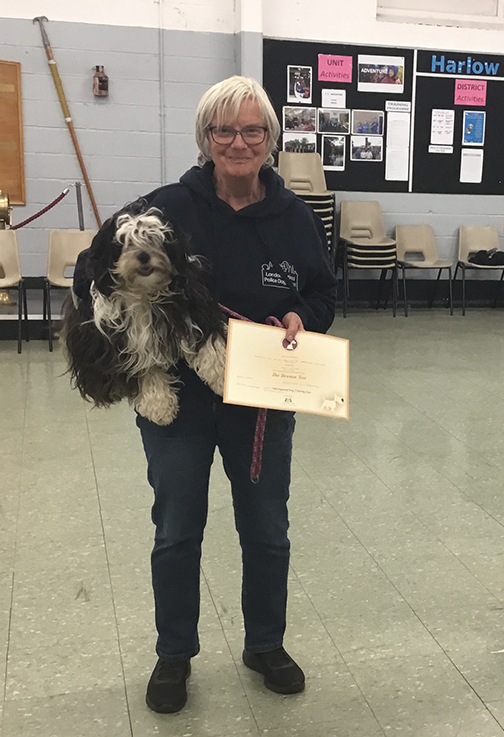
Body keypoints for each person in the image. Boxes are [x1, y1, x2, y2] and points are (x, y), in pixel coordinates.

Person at [74, 76, 337, 712]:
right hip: (178, 400)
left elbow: (324, 293)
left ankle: (265, 644)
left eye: (252, 130)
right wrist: (128, 313)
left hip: (263, 395)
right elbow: (93, 262)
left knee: (267, 530)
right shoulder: (169, 204)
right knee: (176, 529)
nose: (238, 142)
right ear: (205, 137)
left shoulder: (296, 217)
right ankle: (174, 654)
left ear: (270, 138)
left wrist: (303, 318)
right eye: (224, 130)